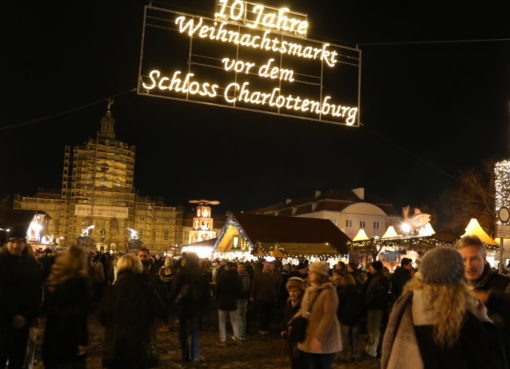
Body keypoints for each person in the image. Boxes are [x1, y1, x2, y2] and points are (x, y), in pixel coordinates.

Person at [382, 246, 508, 369]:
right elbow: (492, 362)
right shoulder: (462, 317)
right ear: (459, 277)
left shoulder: (408, 307)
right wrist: (485, 320)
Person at [97, 254, 168, 369]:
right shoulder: (147, 288)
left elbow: (101, 316)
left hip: (116, 346)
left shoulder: (111, 290)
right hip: (139, 346)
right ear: (138, 267)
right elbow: (162, 311)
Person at [455, 235, 510, 360]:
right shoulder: (452, 287)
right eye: (463, 260)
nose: (469, 265)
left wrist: (490, 299)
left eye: (474, 259)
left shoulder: (504, 284)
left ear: (484, 259)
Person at [42, 245, 91, 369]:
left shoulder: (54, 282)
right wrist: (81, 341)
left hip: (52, 341)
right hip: (70, 344)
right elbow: (77, 317)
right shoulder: (79, 285)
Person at [0, 226, 42, 369]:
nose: (16, 245)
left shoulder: (31, 265)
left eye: (19, 242)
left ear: (24, 244)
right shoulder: (2, 261)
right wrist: (14, 314)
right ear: (7, 243)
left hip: (25, 320)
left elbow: (35, 290)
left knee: (18, 357)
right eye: (12, 242)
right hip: (4, 319)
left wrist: (35, 313)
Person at [296, 262, 342, 369]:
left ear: (319, 274)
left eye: (312, 272)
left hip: (324, 340)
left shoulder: (329, 291)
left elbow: (328, 316)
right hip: (308, 336)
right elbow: (304, 310)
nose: (309, 273)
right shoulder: (310, 289)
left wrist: (318, 338)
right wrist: (292, 322)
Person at [171, 252, 210, 362]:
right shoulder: (201, 273)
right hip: (197, 305)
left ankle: (185, 354)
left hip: (184, 304)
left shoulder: (182, 272)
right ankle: (195, 355)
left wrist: (172, 300)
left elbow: (175, 288)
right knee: (195, 331)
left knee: (183, 331)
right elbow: (206, 291)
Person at [364, 260, 389, 359]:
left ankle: (372, 351)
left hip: (376, 308)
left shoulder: (381, 279)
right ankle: (371, 349)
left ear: (375, 268)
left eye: (371, 267)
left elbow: (379, 295)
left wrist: (370, 302)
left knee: (374, 329)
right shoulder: (375, 278)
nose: (370, 269)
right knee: (372, 329)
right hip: (373, 307)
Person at [337, 273, 364, 363]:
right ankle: (355, 355)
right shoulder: (359, 291)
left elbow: (338, 306)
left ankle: (343, 356)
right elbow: (362, 305)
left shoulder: (341, 292)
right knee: (355, 338)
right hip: (356, 317)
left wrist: (339, 316)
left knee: (344, 339)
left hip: (345, 318)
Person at [215, 261, 242, 345]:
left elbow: (217, 289)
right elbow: (240, 289)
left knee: (222, 321)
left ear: (226, 267)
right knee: (234, 321)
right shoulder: (237, 277)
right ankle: (237, 337)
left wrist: (217, 297)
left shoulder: (221, 277)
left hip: (222, 301)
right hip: (233, 301)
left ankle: (223, 339)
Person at [250, 261, 281, 335]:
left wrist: (276, 296)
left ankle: (266, 328)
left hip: (270, 298)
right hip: (261, 298)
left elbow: (277, 286)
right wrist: (252, 295)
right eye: (266, 266)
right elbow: (254, 285)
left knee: (268, 314)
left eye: (268, 267)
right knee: (262, 314)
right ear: (263, 267)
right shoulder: (259, 275)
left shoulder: (273, 275)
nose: (267, 268)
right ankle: (262, 328)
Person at [281, 277, 305, 369]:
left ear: (301, 291)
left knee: (300, 360)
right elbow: (285, 317)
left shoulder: (304, 304)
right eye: (290, 291)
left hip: (301, 336)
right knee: (293, 358)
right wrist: (283, 328)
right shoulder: (289, 302)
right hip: (290, 335)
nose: (292, 293)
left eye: (295, 291)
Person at [235, 263, 250, 340]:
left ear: (244, 268)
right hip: (239, 298)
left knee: (241, 317)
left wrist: (236, 292)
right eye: (238, 267)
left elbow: (245, 289)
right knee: (239, 317)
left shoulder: (245, 277)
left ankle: (241, 335)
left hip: (241, 299)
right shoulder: (239, 276)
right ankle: (239, 334)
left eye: (241, 267)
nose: (239, 269)